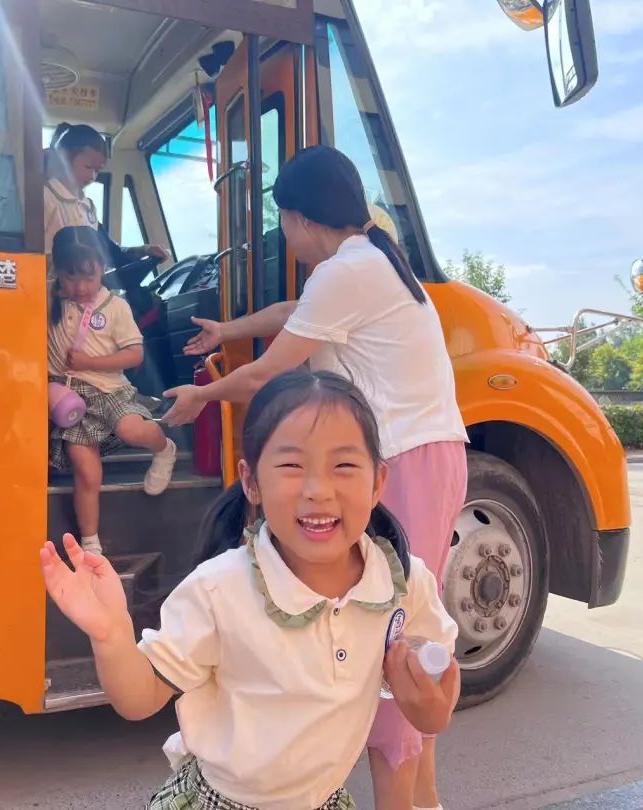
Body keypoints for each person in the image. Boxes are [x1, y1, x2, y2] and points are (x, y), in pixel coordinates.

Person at [163, 145, 469, 810]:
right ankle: (428, 800)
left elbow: (269, 371)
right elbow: (289, 316)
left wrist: (202, 398)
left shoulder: (348, 273)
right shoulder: (369, 259)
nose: (288, 241)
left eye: (286, 226)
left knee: (390, 639)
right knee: (411, 627)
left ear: (302, 219)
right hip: (428, 454)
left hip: (402, 460)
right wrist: (226, 328)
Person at [42, 369, 459, 809]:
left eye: (344, 466)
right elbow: (139, 700)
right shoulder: (219, 588)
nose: (319, 490)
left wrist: (427, 700)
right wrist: (110, 637)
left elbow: (432, 712)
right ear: (252, 482)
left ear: (377, 482)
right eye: (293, 465)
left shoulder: (402, 583)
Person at [48, 226, 177, 556]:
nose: (79, 287)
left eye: (88, 278)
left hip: (110, 390)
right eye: (69, 277)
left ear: (103, 268)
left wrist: (91, 360)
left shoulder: (115, 307)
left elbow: (135, 355)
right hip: (70, 399)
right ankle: (91, 544)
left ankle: (164, 448)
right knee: (87, 472)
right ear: (56, 271)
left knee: (132, 428)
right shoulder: (48, 300)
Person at [44, 122, 167, 265]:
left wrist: (143, 251)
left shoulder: (87, 207)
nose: (92, 177)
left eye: (97, 170)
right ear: (64, 158)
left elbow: (110, 251)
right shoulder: (46, 198)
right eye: (88, 167)